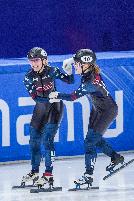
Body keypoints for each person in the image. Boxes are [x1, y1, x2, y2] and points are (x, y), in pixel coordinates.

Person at [49, 48, 124, 183]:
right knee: (93, 138)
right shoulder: (89, 70)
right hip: (98, 109)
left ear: (86, 65)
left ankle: (88, 176)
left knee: (90, 141)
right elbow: (84, 57)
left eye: (77, 64)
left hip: (107, 111)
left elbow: (72, 97)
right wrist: (70, 60)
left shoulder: (91, 82)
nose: (74, 66)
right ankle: (115, 157)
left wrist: (57, 95)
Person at [22, 47, 74, 187]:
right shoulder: (28, 77)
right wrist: (48, 100)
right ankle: (34, 171)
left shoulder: (52, 71)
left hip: (55, 107)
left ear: (44, 61)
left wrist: (69, 71)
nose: (34, 64)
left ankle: (48, 174)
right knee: (33, 140)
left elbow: (70, 81)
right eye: (31, 61)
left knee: (47, 140)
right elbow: (35, 97)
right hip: (41, 107)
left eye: (36, 60)